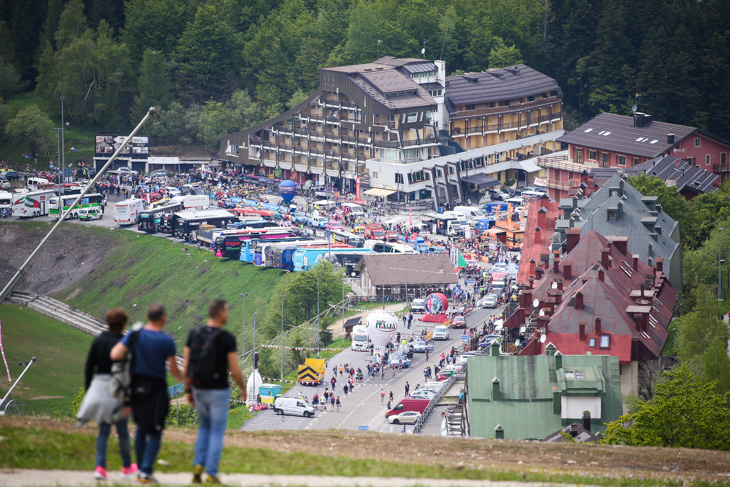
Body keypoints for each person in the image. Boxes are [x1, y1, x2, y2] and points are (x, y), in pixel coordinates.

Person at [111, 304, 184, 485]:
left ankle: (141, 470)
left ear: (147, 316)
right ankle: (146, 470)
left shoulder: (135, 335)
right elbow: (175, 372)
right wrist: (187, 377)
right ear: (163, 318)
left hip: (136, 387)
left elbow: (115, 354)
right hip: (156, 390)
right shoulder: (166, 341)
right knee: (156, 430)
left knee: (141, 428)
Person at [184, 300, 247, 485]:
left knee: (204, 427)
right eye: (226, 311)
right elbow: (234, 369)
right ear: (220, 313)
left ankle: (197, 466)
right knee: (217, 432)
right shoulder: (226, 338)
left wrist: (188, 389)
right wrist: (243, 388)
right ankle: (211, 472)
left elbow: (187, 365)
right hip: (218, 390)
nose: (227, 314)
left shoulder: (194, 334)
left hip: (198, 389)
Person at [78, 308, 137, 481]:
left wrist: (89, 390)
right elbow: (130, 372)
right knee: (122, 430)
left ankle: (100, 467)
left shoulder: (99, 341)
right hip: (119, 388)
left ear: (108, 322)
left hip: (100, 387)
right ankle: (127, 467)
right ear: (124, 324)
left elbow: (89, 367)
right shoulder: (125, 345)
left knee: (104, 429)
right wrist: (129, 400)